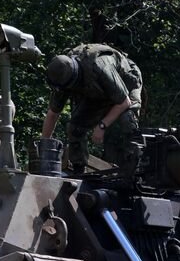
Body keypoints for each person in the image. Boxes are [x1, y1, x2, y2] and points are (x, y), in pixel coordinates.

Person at [40, 43, 143, 175]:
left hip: (126, 82)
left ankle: (135, 170)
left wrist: (102, 125)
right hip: (97, 92)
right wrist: (44, 148)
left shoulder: (99, 65)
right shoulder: (61, 76)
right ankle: (79, 171)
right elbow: (52, 114)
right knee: (75, 128)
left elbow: (124, 102)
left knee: (127, 119)